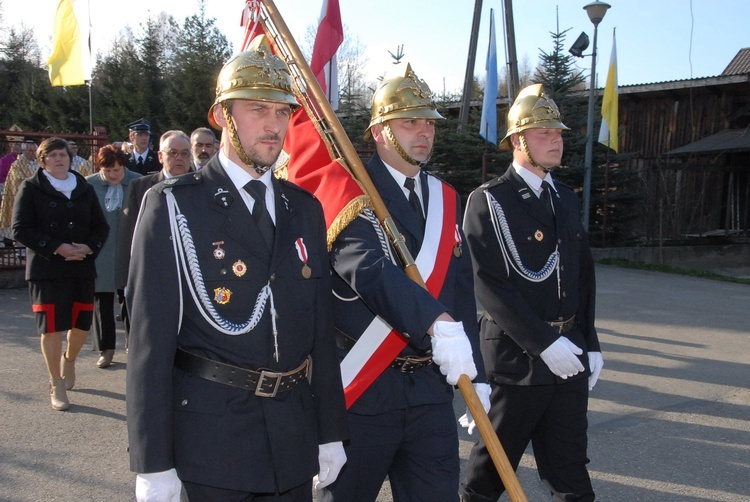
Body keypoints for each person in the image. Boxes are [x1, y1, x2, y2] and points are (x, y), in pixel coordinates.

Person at [125, 36, 348, 501]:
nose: (273, 125)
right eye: (256, 110)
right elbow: (149, 341)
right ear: (222, 115)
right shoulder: (174, 205)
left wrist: (330, 430)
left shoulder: (304, 208)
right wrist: (153, 462)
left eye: (282, 112)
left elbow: (320, 332)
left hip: (291, 434)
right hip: (212, 442)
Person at [317, 63, 485, 502]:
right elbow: (368, 268)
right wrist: (437, 324)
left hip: (430, 389)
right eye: (409, 122)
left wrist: (477, 372)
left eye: (429, 122)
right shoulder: (349, 188)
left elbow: (459, 291)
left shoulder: (445, 197)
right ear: (378, 131)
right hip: (365, 388)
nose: (423, 131)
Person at [459, 84, 604, 502]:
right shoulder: (490, 201)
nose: (556, 139)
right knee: (487, 477)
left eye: (558, 133)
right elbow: (488, 283)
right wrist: (543, 342)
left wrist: (589, 341)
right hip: (516, 361)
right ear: (518, 140)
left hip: (569, 357)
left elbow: (582, 275)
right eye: (544, 133)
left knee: (571, 475)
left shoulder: (565, 198)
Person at [12, 137, 109, 411]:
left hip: (81, 265)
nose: (58, 159)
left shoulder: (84, 187)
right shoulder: (30, 188)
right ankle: (56, 383)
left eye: (62, 155)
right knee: (51, 327)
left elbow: (101, 227)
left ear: (70, 158)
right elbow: (20, 228)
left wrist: (89, 246)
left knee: (81, 326)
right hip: (47, 269)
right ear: (43, 160)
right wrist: (57, 247)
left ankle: (69, 360)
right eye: (52, 155)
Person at [115, 130, 193, 338]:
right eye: (173, 153)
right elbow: (128, 237)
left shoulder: (203, 187)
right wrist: (126, 282)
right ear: (160, 156)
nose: (179, 158)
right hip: (153, 278)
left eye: (185, 153)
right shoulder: (140, 188)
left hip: (192, 279)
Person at [86, 145, 141, 368]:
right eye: (107, 171)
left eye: (117, 170)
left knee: (131, 302)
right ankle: (106, 349)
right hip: (101, 253)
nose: (112, 175)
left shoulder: (137, 182)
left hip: (130, 250)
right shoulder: (89, 185)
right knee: (103, 303)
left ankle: (135, 346)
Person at [0, 140, 38, 238]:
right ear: (24, 151)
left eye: (35, 151)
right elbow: (18, 181)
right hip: (22, 197)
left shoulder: (39, 163)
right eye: (30, 151)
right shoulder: (17, 164)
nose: (33, 153)